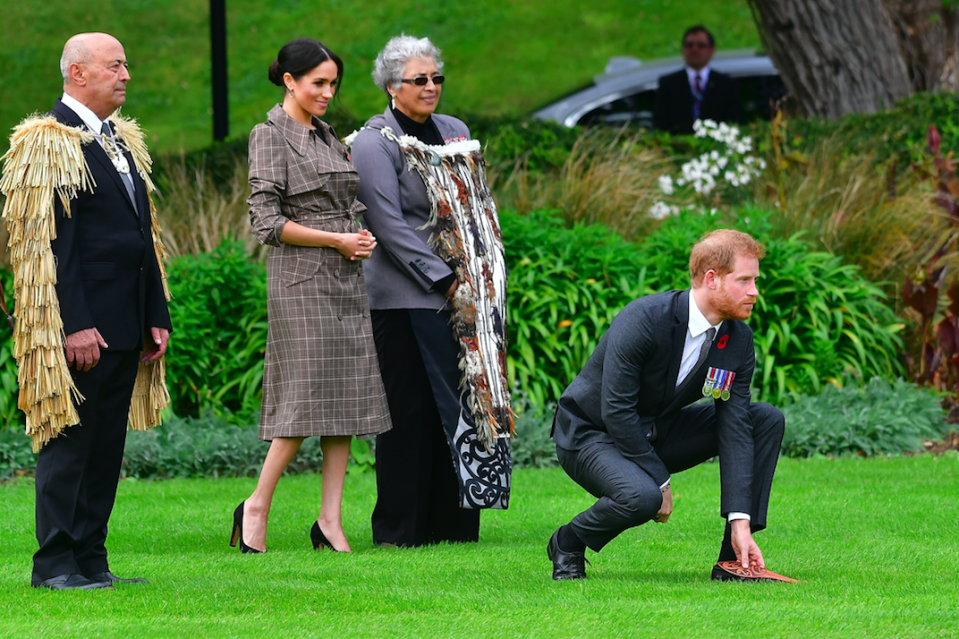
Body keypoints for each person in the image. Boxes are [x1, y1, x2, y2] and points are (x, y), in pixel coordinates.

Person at [1, 33, 172, 590]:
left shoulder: (119, 140)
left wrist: (155, 314)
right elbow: (48, 246)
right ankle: (53, 564)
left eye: (126, 64)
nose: (126, 74)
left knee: (104, 449)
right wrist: (74, 324)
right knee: (69, 446)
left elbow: (142, 236)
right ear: (78, 73)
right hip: (80, 325)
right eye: (115, 66)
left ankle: (91, 560)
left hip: (125, 322)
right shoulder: (48, 141)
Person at [547, 230, 796, 583]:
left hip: (653, 430)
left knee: (763, 419)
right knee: (642, 497)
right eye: (745, 280)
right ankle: (568, 542)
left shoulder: (737, 340)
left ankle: (732, 562)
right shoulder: (645, 319)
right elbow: (616, 409)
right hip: (590, 433)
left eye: (755, 280)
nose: (755, 291)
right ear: (712, 279)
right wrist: (661, 481)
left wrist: (740, 518)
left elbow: (734, 425)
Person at [351, 35, 511, 548]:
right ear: (392, 86)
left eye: (436, 78)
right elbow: (386, 223)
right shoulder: (374, 142)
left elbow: (476, 206)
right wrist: (443, 278)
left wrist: (483, 273)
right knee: (408, 414)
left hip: (466, 301)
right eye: (418, 80)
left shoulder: (455, 132)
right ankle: (401, 529)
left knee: (462, 406)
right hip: (404, 300)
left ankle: (456, 524)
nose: (430, 87)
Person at [232, 38, 391, 554]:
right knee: (304, 399)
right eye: (318, 83)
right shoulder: (269, 135)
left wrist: (358, 236)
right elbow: (265, 221)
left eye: (333, 84)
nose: (327, 93)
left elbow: (344, 202)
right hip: (301, 283)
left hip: (345, 278)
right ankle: (256, 505)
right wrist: (335, 239)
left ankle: (329, 521)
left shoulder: (327, 136)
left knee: (344, 400)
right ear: (290, 81)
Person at [653, 26, 741, 135]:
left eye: (701, 45)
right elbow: (660, 124)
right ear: (683, 50)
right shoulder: (668, 84)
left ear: (712, 50)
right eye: (690, 45)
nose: (695, 49)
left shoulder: (726, 84)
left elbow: (733, 122)